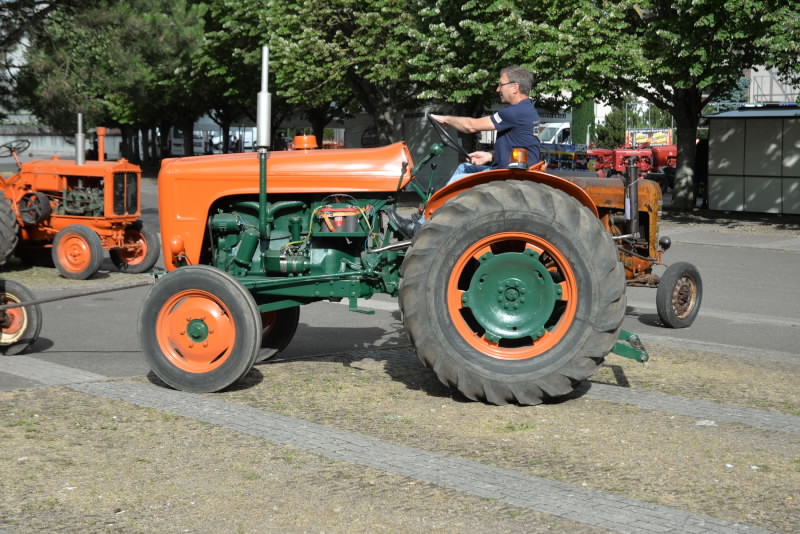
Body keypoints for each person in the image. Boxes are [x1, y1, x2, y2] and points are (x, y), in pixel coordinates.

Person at [391, 66, 541, 237]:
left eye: (501, 84)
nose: (497, 89)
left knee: (459, 181)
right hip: (508, 169)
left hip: (510, 175)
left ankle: (421, 226)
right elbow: (520, 143)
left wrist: (445, 118)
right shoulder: (526, 111)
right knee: (464, 169)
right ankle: (425, 219)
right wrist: (490, 155)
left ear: (514, 87)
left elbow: (472, 126)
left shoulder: (516, 112)